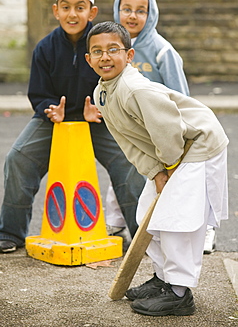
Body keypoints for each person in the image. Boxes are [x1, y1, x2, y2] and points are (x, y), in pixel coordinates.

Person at [84, 21, 229, 316]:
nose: (105, 57)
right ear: (88, 59)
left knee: (177, 220)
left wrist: (171, 166)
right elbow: (126, 140)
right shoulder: (103, 91)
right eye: (97, 51)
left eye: (113, 49)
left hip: (196, 145)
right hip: (170, 155)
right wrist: (155, 171)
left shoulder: (134, 88)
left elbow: (169, 130)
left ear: (130, 55)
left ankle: (179, 292)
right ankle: (163, 279)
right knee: (147, 215)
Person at [0, 0, 145, 254]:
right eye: (66, 7)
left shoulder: (101, 42)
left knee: (128, 162)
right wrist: (51, 109)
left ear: (92, 12)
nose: (72, 14)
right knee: (18, 159)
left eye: (80, 7)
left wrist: (100, 105)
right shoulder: (45, 48)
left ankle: (142, 237)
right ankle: (10, 233)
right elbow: (38, 93)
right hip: (55, 120)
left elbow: (117, 80)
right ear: (55, 10)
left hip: (99, 118)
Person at [106, 0, 216, 253]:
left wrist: (180, 130)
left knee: (180, 182)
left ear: (151, 14)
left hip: (164, 128)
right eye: (126, 9)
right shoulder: (115, 47)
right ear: (117, 11)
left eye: (140, 11)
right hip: (137, 128)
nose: (132, 16)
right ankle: (115, 223)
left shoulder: (162, 51)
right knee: (124, 171)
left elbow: (180, 94)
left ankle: (205, 231)